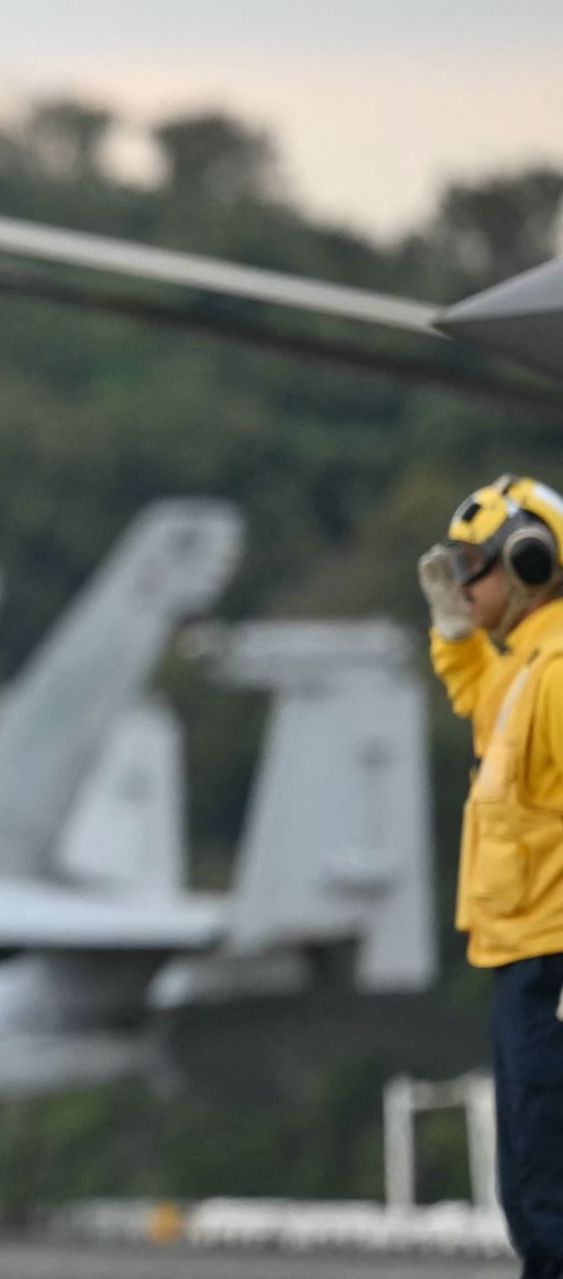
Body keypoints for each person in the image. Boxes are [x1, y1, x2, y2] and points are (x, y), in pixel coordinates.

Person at [420, 474, 563, 1279]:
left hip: (554, 965)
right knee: (533, 1193)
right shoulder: (522, 668)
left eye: (475, 566)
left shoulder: (559, 670)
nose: (462, 582)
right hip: (524, 960)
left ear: (530, 561)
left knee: (550, 1201)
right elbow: (475, 690)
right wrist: (453, 625)